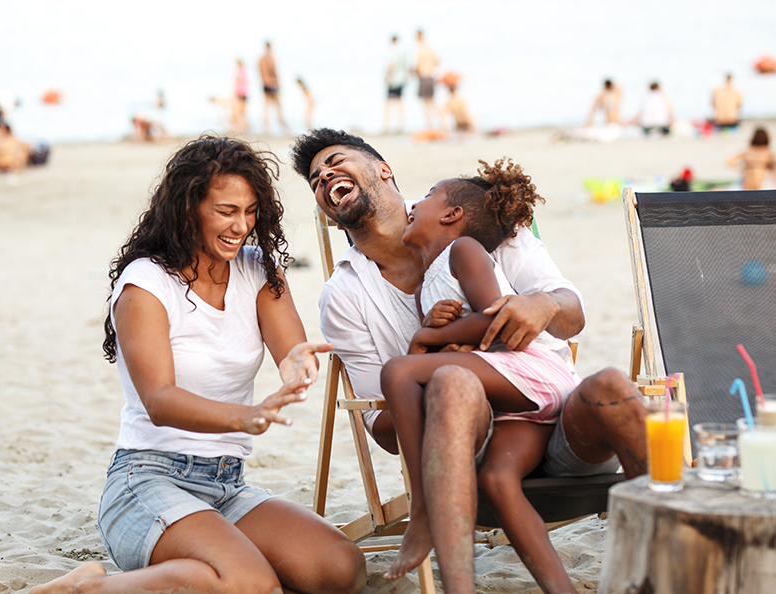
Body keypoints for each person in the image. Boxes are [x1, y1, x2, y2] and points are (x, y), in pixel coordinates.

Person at [290, 128, 647, 594]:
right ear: (331, 216)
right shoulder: (344, 296)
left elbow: (567, 316)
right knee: (454, 384)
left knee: (612, 385)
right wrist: (436, 366)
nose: (325, 176)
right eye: (315, 179)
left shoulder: (475, 226)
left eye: (335, 161)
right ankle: (432, 521)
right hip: (475, 454)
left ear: (383, 169)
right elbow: (379, 426)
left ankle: (681, 544)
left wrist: (545, 304)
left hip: (562, 425)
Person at [32, 136, 366, 594]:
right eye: (226, 211)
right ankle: (90, 587)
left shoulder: (258, 269)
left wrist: (295, 364)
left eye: (250, 211)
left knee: (339, 570)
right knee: (252, 584)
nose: (241, 225)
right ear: (189, 207)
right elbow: (159, 401)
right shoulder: (146, 284)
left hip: (226, 485)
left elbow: (290, 349)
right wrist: (244, 416)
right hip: (146, 482)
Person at [382, 161, 584, 593]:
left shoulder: (464, 251)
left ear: (452, 216)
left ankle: (422, 512)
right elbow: (456, 347)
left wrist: (427, 337)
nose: (413, 204)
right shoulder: (427, 283)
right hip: (520, 407)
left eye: (428, 194)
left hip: (534, 370)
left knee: (398, 371)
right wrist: (434, 338)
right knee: (499, 482)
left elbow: (497, 324)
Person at [414, 30, 443, 130]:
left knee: (425, 103)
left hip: (423, 76)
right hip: (430, 76)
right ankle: (442, 123)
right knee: (433, 102)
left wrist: (416, 72)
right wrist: (431, 68)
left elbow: (417, 65)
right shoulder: (430, 48)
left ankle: (430, 125)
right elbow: (437, 61)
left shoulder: (419, 49)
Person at [259, 41, 289, 135]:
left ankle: (266, 128)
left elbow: (261, 73)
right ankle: (283, 127)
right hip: (272, 83)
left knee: (266, 106)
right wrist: (277, 84)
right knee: (278, 107)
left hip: (265, 83)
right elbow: (274, 71)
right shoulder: (271, 58)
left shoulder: (261, 59)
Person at [383, 35, 408, 134]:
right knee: (399, 102)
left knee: (388, 103)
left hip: (393, 80)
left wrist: (387, 76)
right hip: (401, 79)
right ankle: (401, 125)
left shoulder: (393, 51)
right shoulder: (403, 51)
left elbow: (391, 65)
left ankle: (387, 126)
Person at [232, 59, 249, 134]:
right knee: (242, 112)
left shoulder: (240, 71)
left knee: (238, 111)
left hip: (240, 93)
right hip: (244, 93)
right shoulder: (245, 71)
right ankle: (243, 127)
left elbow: (238, 83)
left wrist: (236, 92)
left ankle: (241, 127)